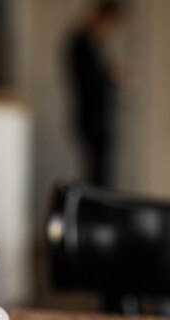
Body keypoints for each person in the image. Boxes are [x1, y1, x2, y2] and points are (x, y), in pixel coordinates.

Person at [64, 0, 122, 188]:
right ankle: (94, 213)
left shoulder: (91, 44)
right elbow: (89, 82)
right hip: (91, 118)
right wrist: (110, 77)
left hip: (97, 118)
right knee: (96, 175)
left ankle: (98, 211)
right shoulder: (81, 43)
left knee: (100, 172)